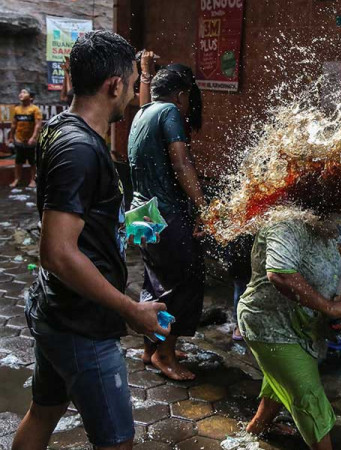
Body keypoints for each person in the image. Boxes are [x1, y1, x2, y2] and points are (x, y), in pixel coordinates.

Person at [13, 30, 169, 450]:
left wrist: (121, 222)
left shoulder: (62, 129)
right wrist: (131, 311)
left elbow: (76, 218)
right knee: (117, 441)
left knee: (44, 412)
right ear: (113, 85)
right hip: (81, 325)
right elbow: (58, 252)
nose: (135, 96)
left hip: (58, 312)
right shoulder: (78, 148)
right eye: (134, 85)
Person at [238, 217, 341, 450]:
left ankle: (258, 426)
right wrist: (329, 307)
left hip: (302, 321)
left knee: (284, 377)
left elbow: (329, 243)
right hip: (271, 324)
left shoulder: (321, 219)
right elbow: (280, 274)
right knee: (309, 396)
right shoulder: (285, 223)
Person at [128, 65, 206, 381]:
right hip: (165, 214)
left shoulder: (142, 112)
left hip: (139, 212)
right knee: (184, 281)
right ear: (181, 95)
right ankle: (165, 354)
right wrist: (203, 206)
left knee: (156, 281)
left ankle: (151, 348)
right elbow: (181, 161)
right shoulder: (171, 112)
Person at [8, 87, 42, 188]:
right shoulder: (17, 109)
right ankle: (17, 179)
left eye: (24, 92)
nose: (21, 94)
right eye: (20, 92)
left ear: (31, 98)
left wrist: (33, 137)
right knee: (18, 162)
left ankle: (33, 180)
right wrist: (11, 137)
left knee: (33, 162)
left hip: (31, 141)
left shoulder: (35, 109)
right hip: (19, 140)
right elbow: (14, 124)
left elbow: (38, 125)